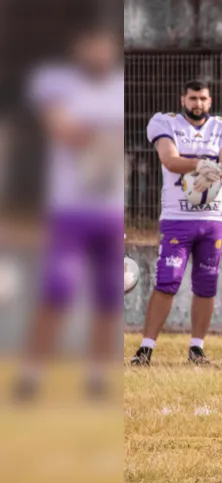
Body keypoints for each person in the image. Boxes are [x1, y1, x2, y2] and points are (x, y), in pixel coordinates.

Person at [15, 25, 123, 398]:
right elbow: (60, 128)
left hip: (109, 213)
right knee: (57, 290)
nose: (97, 54)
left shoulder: (118, 89)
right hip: (70, 210)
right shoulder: (58, 82)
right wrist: (101, 138)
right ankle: (31, 373)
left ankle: (97, 374)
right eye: (91, 46)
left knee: (108, 297)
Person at [131, 79, 222, 365]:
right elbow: (170, 160)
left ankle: (196, 348)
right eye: (192, 98)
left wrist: (197, 163)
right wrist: (207, 163)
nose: (198, 104)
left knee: (206, 284)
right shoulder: (165, 123)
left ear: (210, 100)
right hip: (177, 216)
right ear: (183, 100)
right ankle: (145, 348)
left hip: (213, 218)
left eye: (203, 98)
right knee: (167, 281)